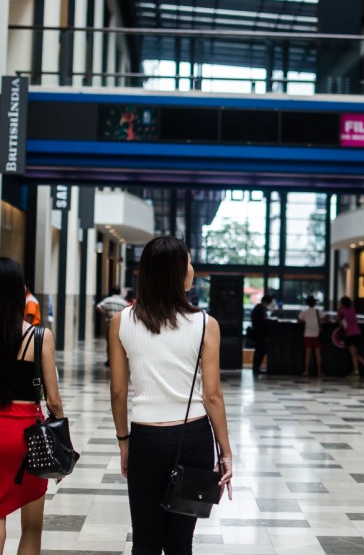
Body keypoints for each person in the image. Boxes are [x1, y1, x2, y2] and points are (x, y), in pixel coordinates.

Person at [109, 236, 233, 554]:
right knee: (180, 543)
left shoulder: (121, 322)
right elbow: (213, 396)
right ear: (178, 273)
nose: (192, 269)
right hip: (193, 439)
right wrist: (226, 452)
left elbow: (119, 391)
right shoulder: (206, 324)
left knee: (146, 542)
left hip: (145, 438)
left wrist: (124, 442)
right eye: (189, 262)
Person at [0, 258, 66, 555]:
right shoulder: (39, 337)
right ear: (18, 291)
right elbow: (53, 400)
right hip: (28, 438)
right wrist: (61, 447)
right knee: (31, 528)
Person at [338, 296, 364, 378]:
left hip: (350, 334)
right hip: (357, 332)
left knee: (353, 354)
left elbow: (339, 321)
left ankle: (357, 371)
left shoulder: (342, 311)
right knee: (355, 353)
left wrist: (339, 310)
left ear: (342, 303)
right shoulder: (352, 310)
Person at [96, 288, 129, 367]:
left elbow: (98, 306)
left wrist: (106, 313)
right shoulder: (123, 302)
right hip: (120, 325)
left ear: (112, 292)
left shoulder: (108, 300)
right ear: (119, 293)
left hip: (109, 325)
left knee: (109, 343)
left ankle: (109, 360)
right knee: (120, 344)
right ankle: (118, 360)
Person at [298, 296, 323, 377]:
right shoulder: (318, 311)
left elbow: (299, 319)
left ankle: (306, 371)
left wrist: (306, 321)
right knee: (318, 354)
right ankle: (319, 371)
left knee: (308, 353)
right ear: (315, 303)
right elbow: (326, 318)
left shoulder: (304, 312)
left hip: (307, 334)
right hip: (317, 334)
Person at [251, 295, 273, 375]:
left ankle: (256, 368)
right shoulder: (260, 309)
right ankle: (256, 368)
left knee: (259, 350)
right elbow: (261, 322)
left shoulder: (258, 308)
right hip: (259, 334)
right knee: (260, 350)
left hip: (258, 333)